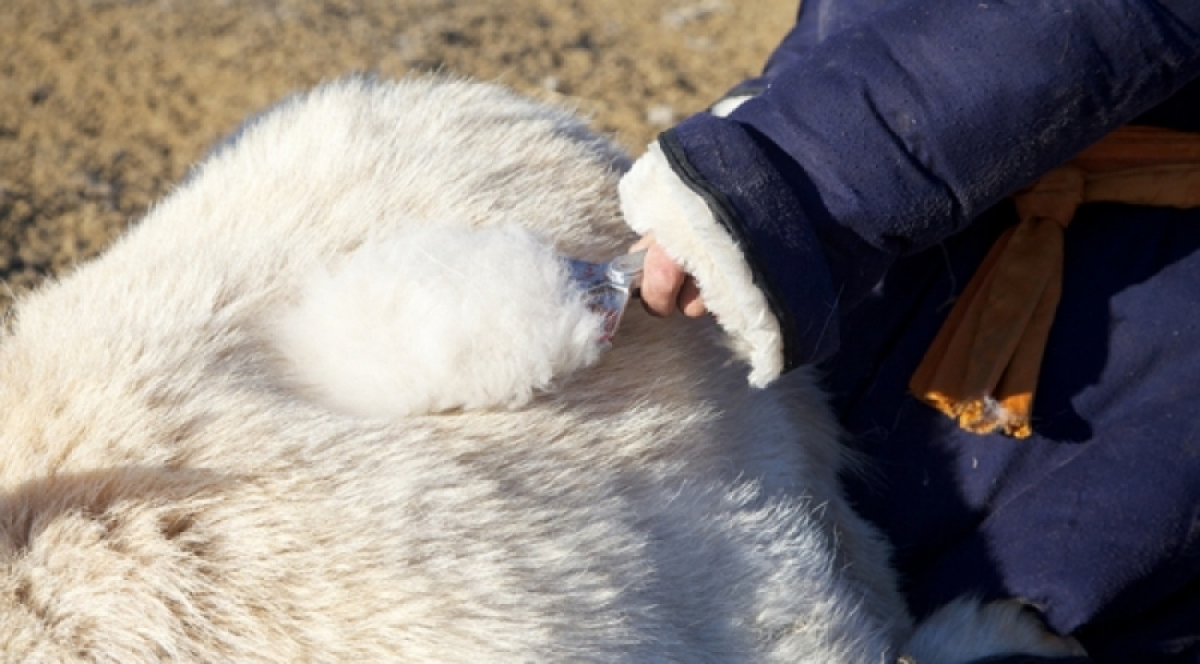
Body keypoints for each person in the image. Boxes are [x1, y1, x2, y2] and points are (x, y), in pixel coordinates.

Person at [618, 0, 1200, 661]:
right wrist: (775, 101)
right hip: (903, 241)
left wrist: (794, 172)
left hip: (1142, 295)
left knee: (1056, 589)